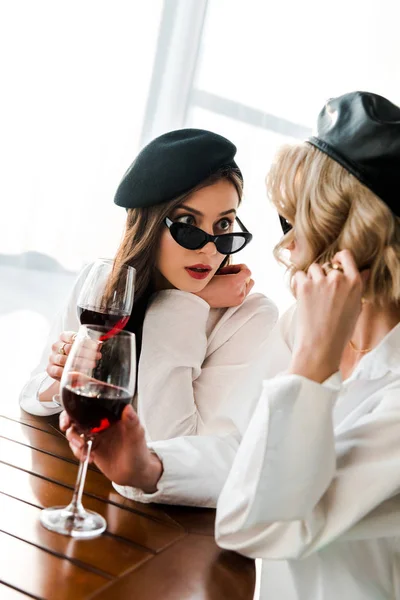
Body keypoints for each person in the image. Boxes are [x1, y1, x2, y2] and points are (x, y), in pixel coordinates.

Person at [215, 91, 400, 599]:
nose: (286, 244)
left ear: (359, 235)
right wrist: (149, 465)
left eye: (304, 219)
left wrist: (314, 363)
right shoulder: (304, 323)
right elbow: (239, 449)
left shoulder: (315, 341)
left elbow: (255, 527)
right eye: (286, 219)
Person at [20, 129, 278, 448]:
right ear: (150, 224)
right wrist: (65, 377)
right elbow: (33, 396)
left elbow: (173, 446)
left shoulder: (249, 319)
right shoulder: (104, 285)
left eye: (224, 225)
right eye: (188, 225)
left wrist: (179, 303)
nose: (210, 250)